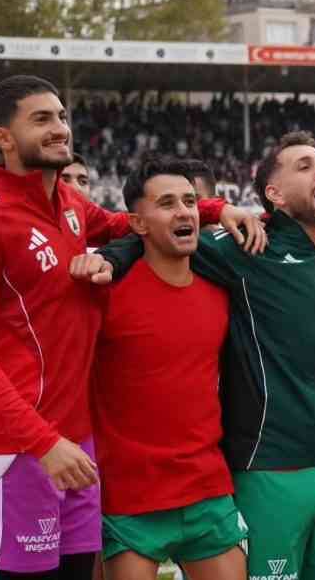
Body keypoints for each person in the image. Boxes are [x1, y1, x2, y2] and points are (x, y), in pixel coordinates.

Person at [0, 74, 258, 579]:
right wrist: (44, 442)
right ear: (3, 137)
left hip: (80, 446)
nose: (59, 128)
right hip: (21, 449)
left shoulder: (69, 205)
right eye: (41, 119)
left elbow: (127, 223)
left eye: (61, 116)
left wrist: (216, 208)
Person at [96, 131, 315, 580]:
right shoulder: (245, 246)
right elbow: (157, 236)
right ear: (273, 194)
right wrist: (112, 256)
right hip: (268, 468)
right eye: (304, 166)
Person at [89, 156, 247, 580]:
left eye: (190, 202)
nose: (184, 212)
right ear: (137, 224)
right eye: (167, 203)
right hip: (128, 498)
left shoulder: (221, 291)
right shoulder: (104, 292)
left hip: (206, 488)